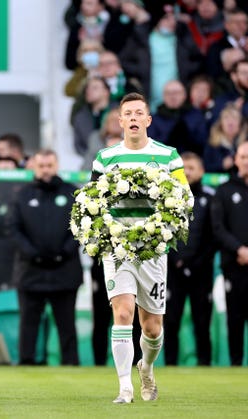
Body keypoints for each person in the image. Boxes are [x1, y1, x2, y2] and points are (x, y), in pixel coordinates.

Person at [91, 92, 191, 403]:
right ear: (120, 121)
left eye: (139, 113)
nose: (133, 118)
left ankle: (145, 367)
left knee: (152, 326)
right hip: (118, 249)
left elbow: (184, 197)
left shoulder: (168, 155)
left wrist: (164, 228)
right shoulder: (105, 158)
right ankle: (124, 387)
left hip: (153, 250)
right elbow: (91, 202)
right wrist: (104, 232)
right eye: (128, 114)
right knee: (122, 313)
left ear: (147, 120)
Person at [7, 149, 83, 366]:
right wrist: (32, 253)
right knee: (29, 323)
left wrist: (63, 253)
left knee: (66, 324)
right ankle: (26, 362)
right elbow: (13, 229)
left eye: (49, 165)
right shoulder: (21, 195)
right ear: (34, 167)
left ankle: (71, 364)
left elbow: (80, 229)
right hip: (30, 271)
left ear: (57, 165)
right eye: (41, 166)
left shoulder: (72, 193)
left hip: (65, 271)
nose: (46, 170)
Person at [164, 152, 216, 365]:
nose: (186, 172)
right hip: (173, 273)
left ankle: (205, 365)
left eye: (191, 168)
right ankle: (169, 366)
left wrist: (195, 263)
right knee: (171, 322)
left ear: (201, 171)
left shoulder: (209, 199)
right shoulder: (166, 199)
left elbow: (213, 237)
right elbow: (162, 233)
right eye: (183, 168)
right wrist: (176, 261)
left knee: (202, 322)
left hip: (201, 272)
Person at [210, 141, 248, 366]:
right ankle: (235, 364)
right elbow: (218, 228)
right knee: (235, 317)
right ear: (235, 160)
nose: (246, 161)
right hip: (234, 264)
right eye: (242, 157)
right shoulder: (224, 190)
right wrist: (239, 249)